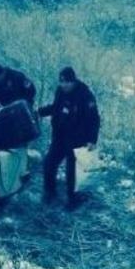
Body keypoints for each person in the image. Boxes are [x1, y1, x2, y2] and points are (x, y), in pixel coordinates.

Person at [37, 66, 100, 210]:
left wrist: (92, 140)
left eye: (67, 82)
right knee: (49, 163)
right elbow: (56, 107)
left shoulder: (85, 94)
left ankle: (73, 200)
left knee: (72, 172)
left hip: (77, 139)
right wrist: (40, 112)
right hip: (60, 135)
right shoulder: (60, 91)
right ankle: (50, 193)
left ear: (73, 81)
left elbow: (94, 118)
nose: (64, 85)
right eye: (61, 82)